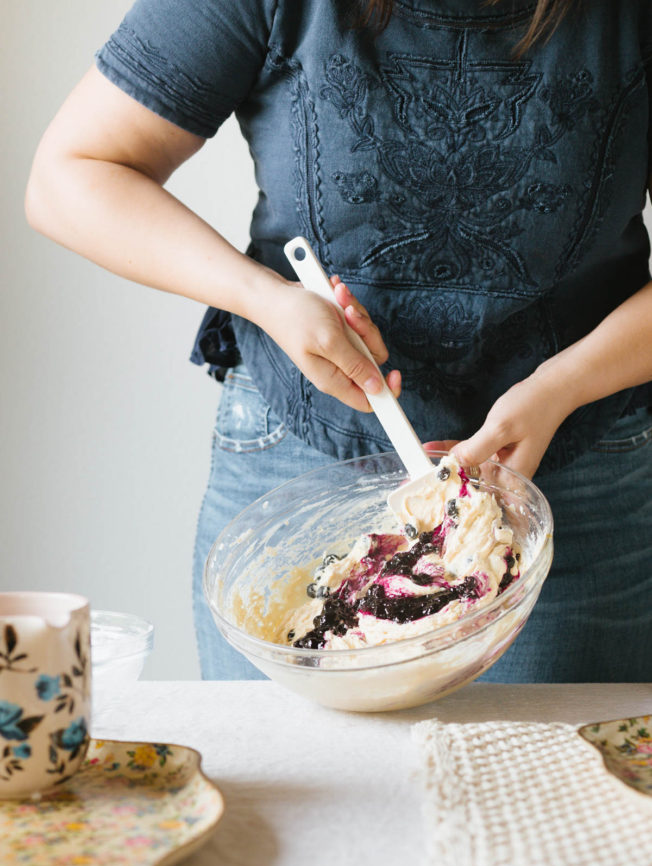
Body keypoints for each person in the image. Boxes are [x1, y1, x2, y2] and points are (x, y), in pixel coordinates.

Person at [25, 0, 652, 682]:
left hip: (580, 477)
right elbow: (71, 174)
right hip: (297, 454)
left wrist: (563, 386)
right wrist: (268, 300)